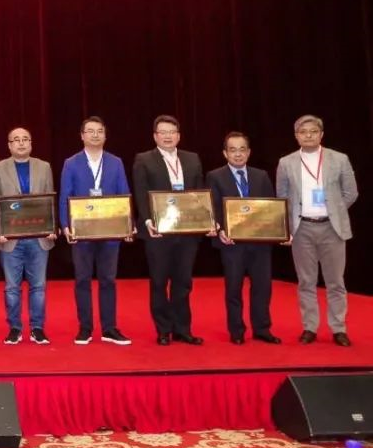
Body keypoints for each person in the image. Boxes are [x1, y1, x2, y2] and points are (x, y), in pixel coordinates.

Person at [276, 115, 358, 347]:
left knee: (336, 282)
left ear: (321, 134)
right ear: (296, 136)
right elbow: (282, 197)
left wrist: (334, 211)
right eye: (303, 132)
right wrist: (288, 228)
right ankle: (310, 327)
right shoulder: (286, 162)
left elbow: (351, 193)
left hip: (332, 228)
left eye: (313, 131)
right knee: (306, 282)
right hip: (302, 229)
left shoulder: (339, 159)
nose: (308, 135)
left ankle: (339, 328)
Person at [132, 114, 210, 346]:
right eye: (163, 132)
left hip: (187, 231)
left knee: (183, 281)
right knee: (159, 281)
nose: (167, 136)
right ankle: (163, 329)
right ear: (155, 136)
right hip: (158, 231)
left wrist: (205, 221)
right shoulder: (144, 159)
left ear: (178, 135)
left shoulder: (192, 159)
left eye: (172, 132)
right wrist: (147, 221)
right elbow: (140, 192)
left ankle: (183, 329)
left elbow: (200, 193)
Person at [58, 116, 133, 346]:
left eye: (99, 131)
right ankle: (85, 328)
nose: (95, 135)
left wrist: (128, 224)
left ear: (105, 135)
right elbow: (65, 196)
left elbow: (124, 194)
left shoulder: (116, 162)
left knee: (108, 280)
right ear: (82, 136)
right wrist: (65, 225)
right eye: (90, 131)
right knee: (82, 279)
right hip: (81, 232)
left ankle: (109, 328)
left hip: (110, 231)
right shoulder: (71, 163)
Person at [207, 132, 280, 345]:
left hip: (260, 243)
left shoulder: (261, 176)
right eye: (232, 150)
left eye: (242, 149)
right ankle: (237, 330)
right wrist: (220, 229)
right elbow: (212, 208)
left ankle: (262, 329)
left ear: (248, 152)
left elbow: (271, 207)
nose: (237, 154)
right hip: (232, 243)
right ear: (225, 153)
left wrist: (277, 231)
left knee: (262, 287)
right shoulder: (215, 176)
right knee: (233, 288)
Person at [0, 127, 56, 345]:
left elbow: (50, 201)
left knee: (39, 286)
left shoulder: (44, 167)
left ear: (31, 143)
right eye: (16, 140)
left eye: (25, 139)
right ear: (9, 145)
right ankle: (15, 328)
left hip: (39, 238)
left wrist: (52, 226)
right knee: (11, 287)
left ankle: (37, 328)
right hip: (10, 239)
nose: (21, 143)